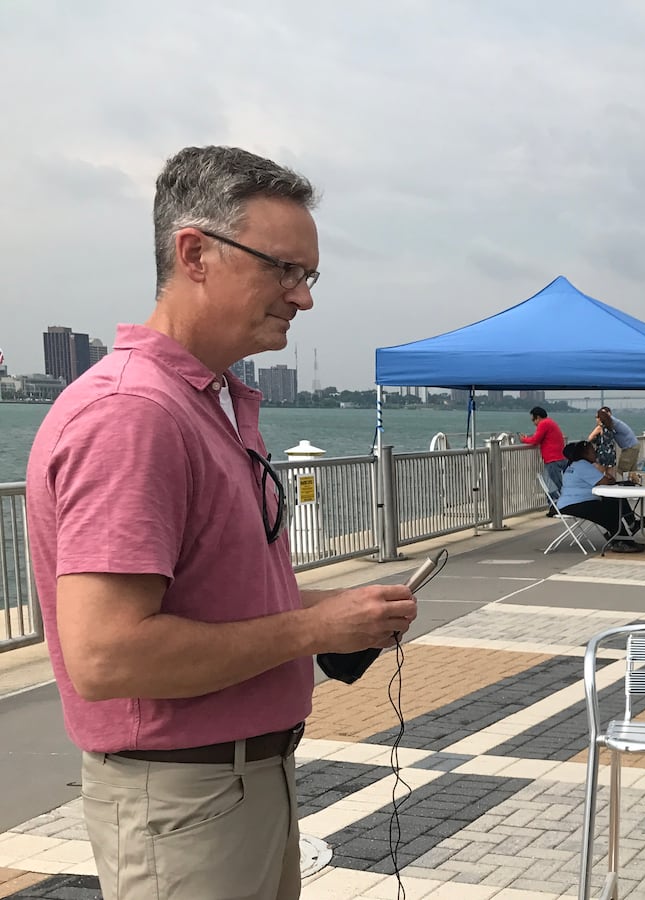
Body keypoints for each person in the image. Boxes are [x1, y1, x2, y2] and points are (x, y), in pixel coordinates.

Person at [25, 146, 419, 900]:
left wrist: (340, 615)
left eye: (308, 275)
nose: (302, 298)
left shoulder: (202, 404)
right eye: (284, 269)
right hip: (187, 796)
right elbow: (107, 657)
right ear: (194, 252)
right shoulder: (133, 416)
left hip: (236, 784)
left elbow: (216, 602)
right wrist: (311, 632)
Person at [557, 441, 645, 553]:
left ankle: (624, 535)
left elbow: (604, 481)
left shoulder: (573, 465)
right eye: (592, 450)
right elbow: (606, 481)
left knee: (614, 501)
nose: (596, 453)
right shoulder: (583, 465)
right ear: (584, 454)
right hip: (575, 503)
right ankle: (622, 540)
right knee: (609, 510)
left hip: (570, 503)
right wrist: (607, 477)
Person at [520, 406, 567, 515]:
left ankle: (557, 506)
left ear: (538, 417)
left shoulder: (544, 424)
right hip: (559, 457)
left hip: (552, 459)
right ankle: (557, 506)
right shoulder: (550, 422)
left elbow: (536, 440)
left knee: (552, 484)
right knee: (554, 483)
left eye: (533, 420)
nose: (533, 423)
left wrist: (524, 440)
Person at [588, 406, 640, 476]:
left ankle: (625, 484)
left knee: (623, 469)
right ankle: (634, 483)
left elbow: (590, 438)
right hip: (613, 452)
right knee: (631, 469)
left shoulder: (609, 423)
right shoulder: (610, 424)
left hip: (628, 446)